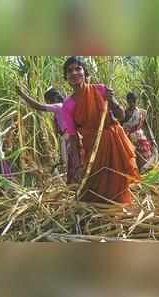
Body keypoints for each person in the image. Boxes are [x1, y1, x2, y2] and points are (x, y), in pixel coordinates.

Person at [62, 56, 139, 203]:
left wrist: (111, 100)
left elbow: (121, 115)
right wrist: (77, 165)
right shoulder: (68, 105)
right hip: (92, 146)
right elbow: (73, 137)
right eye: (69, 71)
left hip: (113, 141)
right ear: (66, 77)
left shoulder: (100, 90)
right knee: (95, 184)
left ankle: (118, 212)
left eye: (78, 69)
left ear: (85, 72)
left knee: (117, 180)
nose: (74, 73)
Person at [16, 86, 68, 172]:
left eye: (48, 101)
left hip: (67, 136)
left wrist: (22, 95)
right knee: (66, 163)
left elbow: (39, 106)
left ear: (54, 98)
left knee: (68, 164)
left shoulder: (59, 106)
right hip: (64, 137)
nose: (47, 103)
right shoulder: (61, 108)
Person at [122, 92, 156, 172]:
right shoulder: (124, 113)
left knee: (145, 150)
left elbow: (147, 127)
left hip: (140, 136)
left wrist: (153, 139)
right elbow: (121, 126)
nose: (132, 103)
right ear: (127, 101)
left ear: (136, 101)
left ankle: (144, 169)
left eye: (134, 101)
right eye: (130, 101)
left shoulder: (141, 112)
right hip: (128, 137)